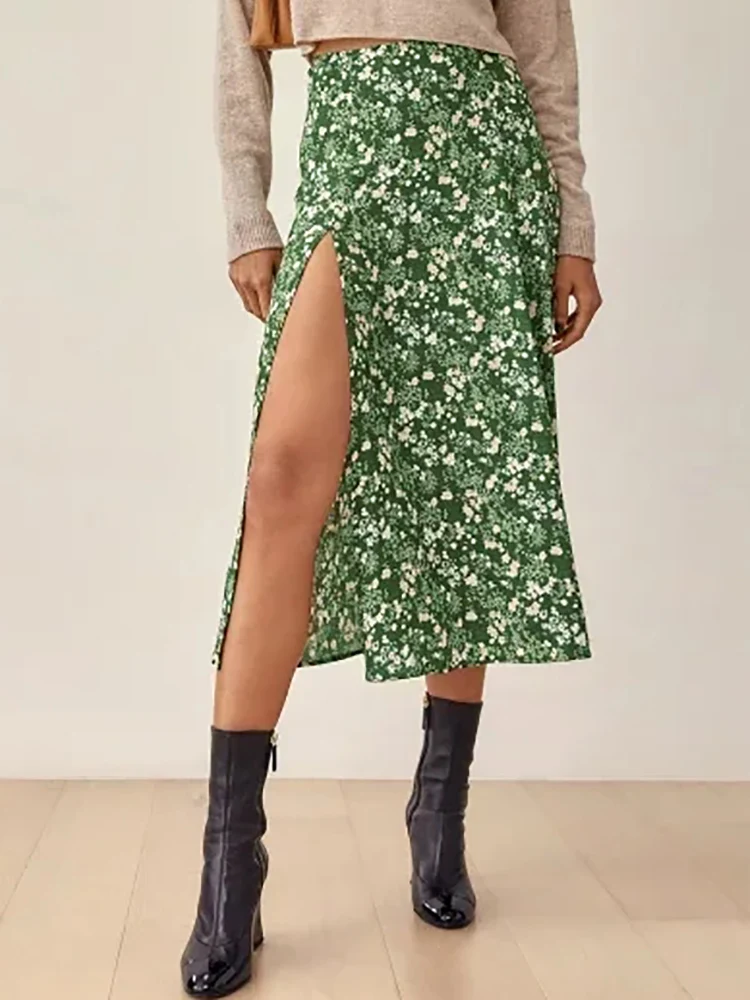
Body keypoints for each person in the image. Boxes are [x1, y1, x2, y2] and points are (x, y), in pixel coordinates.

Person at [181, 0, 602, 995]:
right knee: (282, 478)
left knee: (465, 487)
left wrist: (572, 225)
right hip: (353, 149)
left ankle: (439, 812)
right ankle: (231, 859)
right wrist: (248, 212)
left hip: (486, 166)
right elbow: (238, 49)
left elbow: (544, 54)